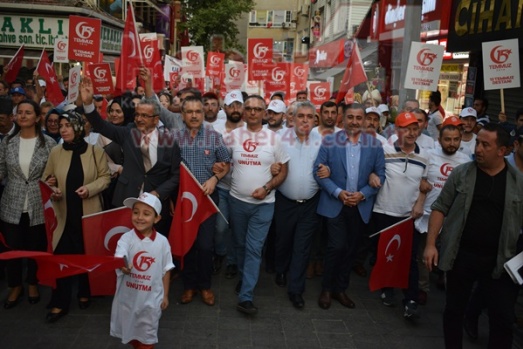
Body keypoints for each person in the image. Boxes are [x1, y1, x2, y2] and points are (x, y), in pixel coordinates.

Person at [424, 123, 523, 349]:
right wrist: (431, 245)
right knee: (454, 311)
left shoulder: (518, 183)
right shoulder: (462, 174)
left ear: (503, 150)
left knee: (502, 318)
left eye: (485, 145)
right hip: (461, 255)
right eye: (478, 142)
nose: (478, 149)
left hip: (501, 261)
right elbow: (440, 208)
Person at [81, 77, 181, 234]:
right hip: (125, 201)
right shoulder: (127, 133)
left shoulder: (170, 142)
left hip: (155, 205)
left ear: (156, 120)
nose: (139, 119)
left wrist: (159, 192)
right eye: (137, 115)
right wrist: (88, 104)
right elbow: (101, 126)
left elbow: (175, 176)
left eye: (144, 116)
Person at [314, 103, 385, 310]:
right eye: (350, 117)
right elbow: (317, 171)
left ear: (364, 120)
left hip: (359, 206)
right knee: (336, 246)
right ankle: (327, 289)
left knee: (350, 249)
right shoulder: (329, 141)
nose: (354, 121)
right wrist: (338, 192)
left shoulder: (375, 145)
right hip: (335, 203)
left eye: (358, 118)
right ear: (342, 119)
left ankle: (340, 289)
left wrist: (363, 194)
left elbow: (380, 174)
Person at [42, 109, 110, 322]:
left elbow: (105, 177)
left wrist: (89, 189)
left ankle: (84, 291)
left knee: (85, 253)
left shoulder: (94, 151)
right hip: (63, 215)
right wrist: (52, 186)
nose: (63, 130)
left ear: (79, 127)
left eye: (68, 125)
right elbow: (46, 178)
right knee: (62, 256)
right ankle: (60, 302)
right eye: (61, 126)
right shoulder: (55, 152)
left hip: (87, 214)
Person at [228, 95, 290, 314]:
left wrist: (268, 187)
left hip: (264, 205)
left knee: (254, 249)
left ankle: (246, 296)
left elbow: (283, 170)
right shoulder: (233, 136)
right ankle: (246, 278)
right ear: (244, 111)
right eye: (249, 108)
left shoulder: (275, 139)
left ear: (265, 113)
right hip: (236, 202)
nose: (253, 112)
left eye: (257, 109)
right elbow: (224, 164)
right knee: (239, 245)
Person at [0, 100, 56, 309]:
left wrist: (52, 181)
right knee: (13, 247)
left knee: (35, 246)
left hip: (37, 201)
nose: (23, 116)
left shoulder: (49, 143)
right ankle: (15, 286)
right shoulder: (7, 142)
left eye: (28, 112)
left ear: (37, 117)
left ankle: (32, 282)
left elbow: (54, 172)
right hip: (11, 202)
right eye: (19, 113)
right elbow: (1, 171)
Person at [372, 111, 429, 319]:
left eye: (415, 128)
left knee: (409, 259)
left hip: (408, 216)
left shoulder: (425, 156)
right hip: (384, 210)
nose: (411, 133)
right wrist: (371, 175)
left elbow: (424, 185)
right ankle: (387, 288)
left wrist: (420, 203)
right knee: (387, 254)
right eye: (406, 128)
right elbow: (374, 170)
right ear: (397, 130)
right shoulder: (384, 150)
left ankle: (411, 300)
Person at [178, 96, 230, 306]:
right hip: (185, 200)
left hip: (208, 198)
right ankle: (189, 286)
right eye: (189, 112)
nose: (194, 115)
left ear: (203, 114)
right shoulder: (175, 138)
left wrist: (215, 178)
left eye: (197, 111)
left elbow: (226, 163)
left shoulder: (214, 137)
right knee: (188, 245)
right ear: (183, 115)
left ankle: (205, 286)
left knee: (206, 246)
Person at [413, 124, 470, 306]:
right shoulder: (429, 156)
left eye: (456, 139)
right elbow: (421, 181)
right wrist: (421, 199)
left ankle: (446, 282)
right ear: (439, 140)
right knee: (423, 254)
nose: (452, 143)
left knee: (449, 252)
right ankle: (423, 288)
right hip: (428, 215)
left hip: (453, 218)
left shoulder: (466, 161)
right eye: (447, 139)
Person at [273, 101, 322, 309]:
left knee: (302, 247)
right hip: (284, 201)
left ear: (314, 120)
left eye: (309, 117)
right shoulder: (279, 139)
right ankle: (281, 269)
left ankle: (296, 290)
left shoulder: (322, 141)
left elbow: (327, 167)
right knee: (283, 240)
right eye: (300, 116)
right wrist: (272, 167)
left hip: (310, 204)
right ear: (292, 119)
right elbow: (269, 162)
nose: (304, 120)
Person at [110, 192, 174, 349]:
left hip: (151, 301)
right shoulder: (126, 239)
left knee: (147, 338)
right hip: (128, 300)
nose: (139, 217)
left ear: (157, 218)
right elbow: (120, 257)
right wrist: (123, 265)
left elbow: (166, 270)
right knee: (132, 335)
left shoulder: (162, 242)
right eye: (136, 212)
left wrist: (165, 295)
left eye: (146, 214)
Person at [211, 90, 244, 279]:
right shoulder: (215, 129)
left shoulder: (252, 129)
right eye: (231, 105)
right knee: (221, 227)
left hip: (241, 190)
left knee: (237, 229)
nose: (235, 109)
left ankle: (232, 261)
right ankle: (221, 253)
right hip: (222, 187)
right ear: (225, 108)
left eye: (238, 105)